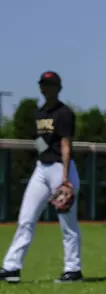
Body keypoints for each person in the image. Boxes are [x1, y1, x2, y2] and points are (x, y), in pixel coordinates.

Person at [0, 71, 83, 283]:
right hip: (42, 168)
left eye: (50, 84)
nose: (46, 88)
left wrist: (65, 180)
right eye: (43, 84)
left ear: (58, 87)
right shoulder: (39, 113)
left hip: (60, 168)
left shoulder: (64, 113)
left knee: (67, 222)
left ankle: (73, 269)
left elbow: (66, 146)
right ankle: (12, 267)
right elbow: (40, 141)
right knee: (26, 218)